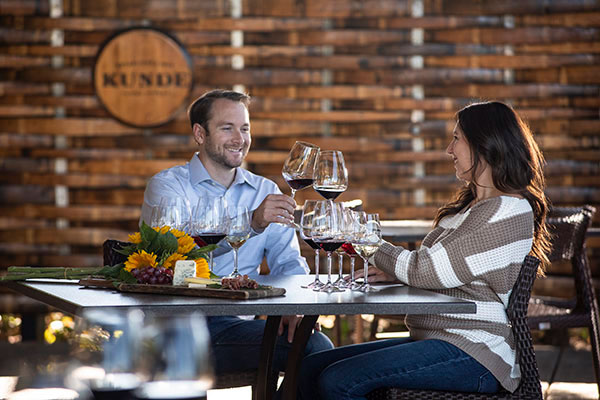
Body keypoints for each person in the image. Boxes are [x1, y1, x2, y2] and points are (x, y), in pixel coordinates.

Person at [298, 101, 552, 399]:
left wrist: (360, 237)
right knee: (309, 369)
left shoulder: (508, 210)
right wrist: (401, 275)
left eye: (456, 138)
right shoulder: (471, 209)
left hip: (476, 352)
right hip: (438, 340)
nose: (449, 149)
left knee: (338, 380)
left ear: (484, 144)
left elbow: (427, 269)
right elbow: (441, 273)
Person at [140, 89, 333, 376]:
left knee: (314, 344)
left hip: (237, 324)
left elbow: (288, 262)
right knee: (315, 350)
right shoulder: (168, 186)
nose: (239, 139)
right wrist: (251, 223)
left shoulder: (265, 190)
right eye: (226, 128)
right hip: (178, 325)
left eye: (244, 129)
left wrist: (297, 307)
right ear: (200, 134)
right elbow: (173, 260)